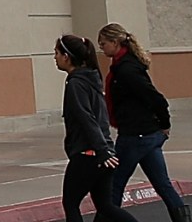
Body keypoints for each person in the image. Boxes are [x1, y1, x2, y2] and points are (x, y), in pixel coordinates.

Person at [98, 22, 191, 222]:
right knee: (162, 183)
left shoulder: (126, 70)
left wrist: (165, 124)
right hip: (144, 134)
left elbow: (155, 98)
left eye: (103, 44)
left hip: (135, 135)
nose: (101, 48)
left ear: (115, 42)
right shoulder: (124, 66)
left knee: (114, 185)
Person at [56, 34, 135, 221]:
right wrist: (106, 149)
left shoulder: (76, 84)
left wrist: (101, 150)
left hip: (89, 154)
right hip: (104, 151)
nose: (55, 58)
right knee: (105, 206)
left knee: (71, 203)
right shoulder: (91, 78)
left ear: (67, 57)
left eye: (57, 53)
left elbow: (86, 118)